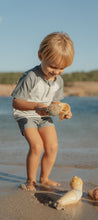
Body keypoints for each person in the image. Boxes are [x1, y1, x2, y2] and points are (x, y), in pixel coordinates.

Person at [11, 32, 74, 191]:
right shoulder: (31, 76)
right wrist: (35, 106)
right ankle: (30, 181)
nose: (56, 72)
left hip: (44, 115)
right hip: (26, 115)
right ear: (40, 56)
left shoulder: (58, 80)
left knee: (52, 146)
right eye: (53, 66)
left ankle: (44, 178)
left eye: (61, 69)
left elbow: (56, 103)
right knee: (37, 146)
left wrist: (63, 112)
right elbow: (16, 102)